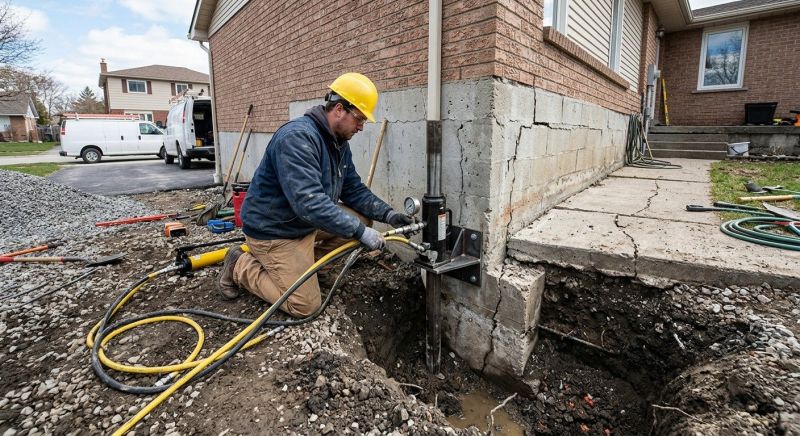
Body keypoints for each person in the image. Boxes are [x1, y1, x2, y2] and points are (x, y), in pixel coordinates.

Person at [217, 72, 413, 317]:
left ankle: (312, 268)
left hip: (302, 223)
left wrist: (389, 214)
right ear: (339, 109)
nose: (362, 127)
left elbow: (353, 189)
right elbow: (309, 203)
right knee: (305, 306)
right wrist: (361, 233)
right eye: (359, 118)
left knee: (361, 219)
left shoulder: (338, 143)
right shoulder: (297, 138)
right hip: (275, 231)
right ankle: (239, 265)